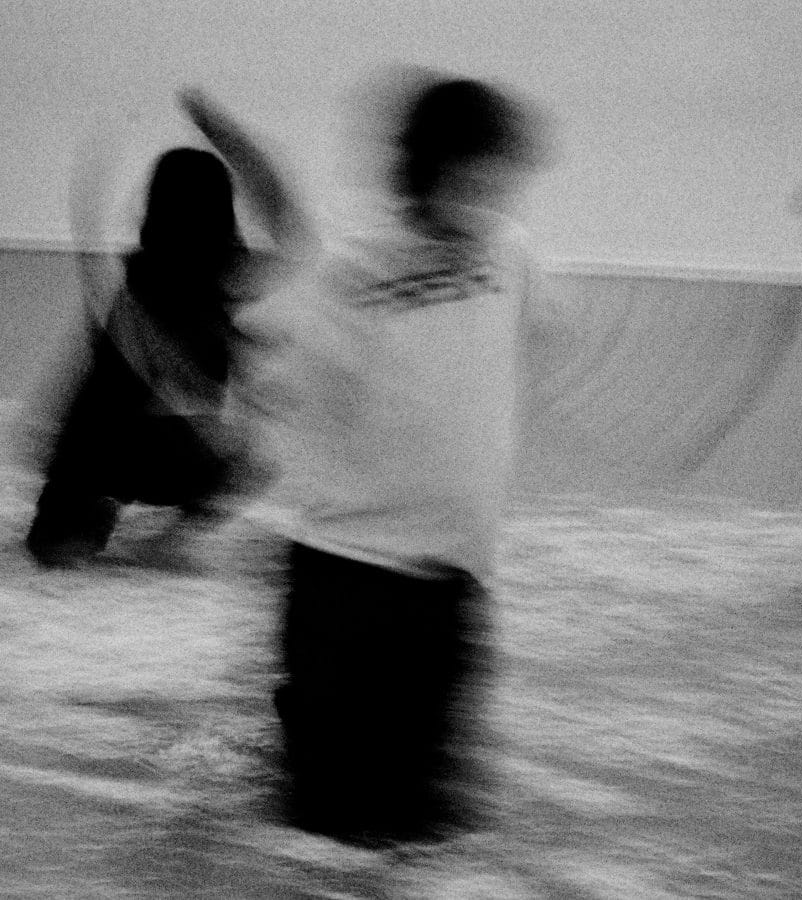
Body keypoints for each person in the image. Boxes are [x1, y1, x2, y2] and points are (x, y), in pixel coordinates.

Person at [188, 72, 562, 841]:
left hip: (451, 592)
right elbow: (262, 385)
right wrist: (235, 400)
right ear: (427, 166)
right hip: (345, 583)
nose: (492, 195)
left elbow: (514, 359)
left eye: (502, 177)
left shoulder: (512, 256)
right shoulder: (349, 272)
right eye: (475, 172)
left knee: (429, 835)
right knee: (326, 837)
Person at [22, 133, 291, 567]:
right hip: (112, 451)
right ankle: (139, 529)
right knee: (58, 552)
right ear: (223, 211)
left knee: (60, 549)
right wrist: (227, 137)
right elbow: (285, 226)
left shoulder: (152, 280)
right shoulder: (179, 283)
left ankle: (137, 530)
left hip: (107, 452)